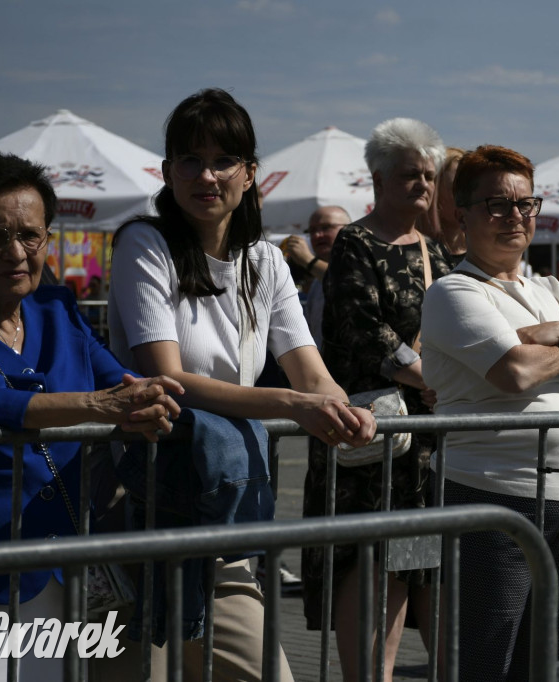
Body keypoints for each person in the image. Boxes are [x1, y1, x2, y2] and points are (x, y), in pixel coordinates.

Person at [107, 88, 375, 682]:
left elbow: (309, 367)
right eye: (190, 159)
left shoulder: (266, 259)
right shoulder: (142, 244)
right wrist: (291, 403)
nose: (207, 175)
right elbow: (169, 377)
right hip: (146, 505)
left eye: (223, 160)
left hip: (225, 505)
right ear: (167, 170)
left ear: (250, 174)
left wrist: (347, 408)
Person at [421, 145, 559, 680]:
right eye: (496, 205)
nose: (515, 217)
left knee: (540, 656)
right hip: (491, 495)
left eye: (525, 205)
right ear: (462, 213)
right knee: (487, 658)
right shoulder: (453, 291)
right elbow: (515, 371)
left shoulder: (555, 291)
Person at [0, 153, 182, 681]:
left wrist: (145, 399)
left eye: (31, 236)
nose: (16, 253)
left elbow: (117, 383)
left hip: (65, 566)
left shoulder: (57, 309)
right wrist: (92, 408)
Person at [300, 117, 451, 681]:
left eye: (430, 176)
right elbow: (364, 331)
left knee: (408, 563)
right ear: (379, 180)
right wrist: (428, 378)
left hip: (422, 442)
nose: (422, 185)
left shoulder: (436, 250)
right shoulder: (355, 243)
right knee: (362, 560)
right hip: (365, 430)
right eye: (410, 175)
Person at [298, 205, 349, 348]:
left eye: (326, 227)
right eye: (312, 230)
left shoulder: (362, 266)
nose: (317, 235)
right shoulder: (315, 282)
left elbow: (346, 282)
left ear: (349, 229)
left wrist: (307, 260)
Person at [419, 146, 466, 264]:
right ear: (434, 194)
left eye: (474, 188)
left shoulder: (486, 252)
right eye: (457, 188)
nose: (469, 197)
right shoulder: (415, 253)